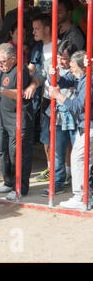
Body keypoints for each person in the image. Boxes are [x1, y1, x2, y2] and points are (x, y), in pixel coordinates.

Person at [0, 43, 34, 200]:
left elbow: (20, 93)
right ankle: (8, 182)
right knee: (3, 152)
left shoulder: (20, 71)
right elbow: (1, 90)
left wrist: (0, 89)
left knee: (18, 155)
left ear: (13, 59)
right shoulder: (1, 69)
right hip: (3, 118)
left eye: (3, 61)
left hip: (18, 119)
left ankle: (19, 187)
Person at [49, 51, 93, 209]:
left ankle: (80, 196)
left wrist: (59, 96)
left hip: (89, 127)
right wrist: (56, 76)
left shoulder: (88, 81)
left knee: (78, 159)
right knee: (85, 161)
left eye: (73, 67)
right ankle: (85, 196)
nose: (71, 70)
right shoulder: (83, 77)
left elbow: (79, 107)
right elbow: (67, 80)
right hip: (87, 126)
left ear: (83, 67)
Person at [38, 40, 78, 196]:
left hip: (76, 115)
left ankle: (82, 186)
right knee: (57, 150)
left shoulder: (79, 69)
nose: (62, 61)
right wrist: (52, 73)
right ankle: (57, 183)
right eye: (60, 58)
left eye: (65, 58)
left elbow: (68, 83)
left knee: (79, 152)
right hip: (58, 113)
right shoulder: (53, 67)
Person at [28, 13, 60, 182]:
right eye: (33, 29)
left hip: (61, 98)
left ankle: (65, 170)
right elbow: (32, 69)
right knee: (46, 135)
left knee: (63, 135)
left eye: (37, 28)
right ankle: (51, 168)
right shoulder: (37, 48)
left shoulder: (60, 47)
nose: (34, 32)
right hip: (46, 98)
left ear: (47, 29)